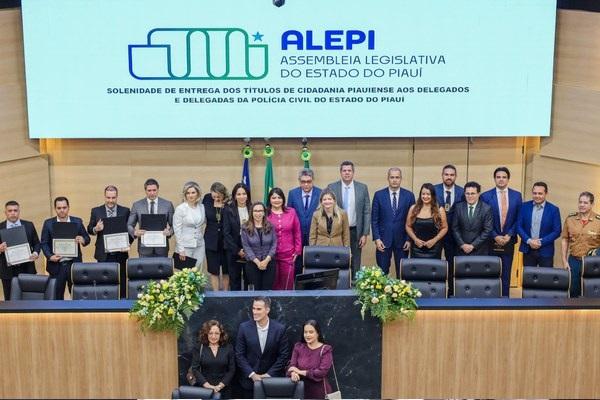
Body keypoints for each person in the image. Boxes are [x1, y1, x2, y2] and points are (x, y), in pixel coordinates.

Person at [235, 296, 290, 398]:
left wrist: (268, 375)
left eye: (258, 309)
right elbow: (239, 355)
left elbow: (283, 356)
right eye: (253, 308)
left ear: (267, 310)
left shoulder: (280, 329)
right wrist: (252, 374)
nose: (254, 312)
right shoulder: (244, 328)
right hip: (248, 383)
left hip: (272, 382)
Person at [481, 167, 523, 297]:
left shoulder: (517, 195)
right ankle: (490, 298)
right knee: (491, 271)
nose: (501, 179)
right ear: (494, 179)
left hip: (508, 240)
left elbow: (519, 218)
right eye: (498, 177)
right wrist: (495, 235)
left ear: (508, 179)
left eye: (504, 177)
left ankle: (505, 299)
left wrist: (509, 234)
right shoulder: (486, 196)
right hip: (491, 240)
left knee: (506, 272)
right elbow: (484, 220)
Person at [328, 161, 370, 281]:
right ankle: (338, 284)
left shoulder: (362, 188)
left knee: (356, 260)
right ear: (340, 172)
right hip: (337, 231)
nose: (347, 173)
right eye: (344, 171)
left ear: (353, 172)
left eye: (349, 171)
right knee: (338, 258)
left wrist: (365, 233)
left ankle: (355, 286)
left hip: (355, 230)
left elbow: (367, 211)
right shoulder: (332, 187)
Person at [41, 197, 90, 300]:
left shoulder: (77, 221)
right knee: (56, 297)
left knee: (77, 296)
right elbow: (44, 243)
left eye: (64, 207)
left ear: (68, 208)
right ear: (55, 209)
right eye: (59, 208)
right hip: (56, 266)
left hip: (74, 265)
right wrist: (50, 256)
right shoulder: (48, 223)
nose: (62, 210)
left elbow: (87, 238)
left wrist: (83, 239)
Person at [87, 185, 131, 299]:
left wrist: (128, 243)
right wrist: (96, 229)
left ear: (117, 197)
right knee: (104, 281)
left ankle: (121, 305)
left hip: (121, 253)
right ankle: (104, 304)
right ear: (104, 196)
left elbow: (129, 231)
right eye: (108, 198)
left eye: (113, 198)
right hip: (103, 253)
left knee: (121, 280)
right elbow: (89, 229)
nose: (110, 201)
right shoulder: (96, 211)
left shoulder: (125, 211)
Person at [371, 168, 416, 276]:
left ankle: (401, 293)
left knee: (402, 272)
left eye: (397, 177)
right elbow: (374, 219)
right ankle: (382, 293)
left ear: (401, 179)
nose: (394, 180)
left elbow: (412, 220)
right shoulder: (379, 195)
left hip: (402, 241)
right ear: (388, 178)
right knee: (382, 273)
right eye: (392, 177)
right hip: (383, 241)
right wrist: (377, 239)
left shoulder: (409, 196)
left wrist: (409, 239)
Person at [561, 191, 600, 298]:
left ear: (592, 204)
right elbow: (565, 239)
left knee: (592, 292)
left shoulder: (598, 221)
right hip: (574, 260)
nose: (582, 205)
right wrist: (564, 261)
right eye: (580, 202)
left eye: (585, 203)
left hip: (592, 263)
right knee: (573, 291)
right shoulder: (570, 219)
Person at [0, 201, 40, 300]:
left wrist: (35, 253)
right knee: (9, 300)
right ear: (5, 212)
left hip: (27, 268)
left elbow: (37, 243)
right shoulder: (0, 227)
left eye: (15, 210)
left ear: (19, 211)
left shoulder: (29, 225)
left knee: (29, 298)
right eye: (10, 211)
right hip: (7, 270)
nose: (13, 213)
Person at [516, 182, 562, 268]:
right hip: (528, 249)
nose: (537, 196)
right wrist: (529, 240)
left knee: (546, 278)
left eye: (540, 193)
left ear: (546, 193)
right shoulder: (524, 207)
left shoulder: (553, 210)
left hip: (546, 250)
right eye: (535, 193)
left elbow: (557, 231)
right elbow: (518, 226)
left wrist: (541, 242)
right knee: (528, 277)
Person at [434, 165, 464, 292]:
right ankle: (435, 291)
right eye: (446, 174)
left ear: (455, 176)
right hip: (435, 233)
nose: (449, 177)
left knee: (452, 264)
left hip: (454, 235)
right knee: (435, 264)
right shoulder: (434, 190)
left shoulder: (462, 191)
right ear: (442, 175)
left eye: (452, 175)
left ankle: (451, 292)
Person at [187, 320, 235, 399]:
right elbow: (195, 369)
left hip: (224, 389)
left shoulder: (228, 348)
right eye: (210, 333)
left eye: (216, 333)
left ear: (221, 334)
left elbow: (232, 369)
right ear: (206, 334)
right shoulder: (199, 347)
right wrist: (207, 386)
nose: (213, 336)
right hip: (204, 390)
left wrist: (220, 386)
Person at [127, 178, 175, 257]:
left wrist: (169, 232)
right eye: (149, 190)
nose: (152, 193)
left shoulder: (168, 205)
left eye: (154, 190)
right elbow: (129, 225)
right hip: (144, 249)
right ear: (145, 190)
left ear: (158, 189)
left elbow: (174, 224)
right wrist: (135, 232)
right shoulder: (137, 205)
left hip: (162, 249)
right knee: (145, 269)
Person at [287, 168, 322, 275]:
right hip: (297, 236)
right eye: (303, 182)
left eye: (309, 182)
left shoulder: (320, 193)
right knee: (297, 264)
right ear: (299, 181)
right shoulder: (293, 193)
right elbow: (289, 215)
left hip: (316, 235)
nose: (306, 184)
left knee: (314, 262)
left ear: (313, 180)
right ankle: (297, 289)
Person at [287, 320, 333, 400]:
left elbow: (321, 372)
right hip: (299, 391)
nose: (307, 335)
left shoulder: (326, 349)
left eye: (311, 332)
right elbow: (291, 366)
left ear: (318, 333)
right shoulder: (298, 347)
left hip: (319, 393)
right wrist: (293, 373)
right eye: (305, 332)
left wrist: (300, 372)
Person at [267, 188, 302, 290]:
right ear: (269, 199)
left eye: (279, 197)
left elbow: (297, 232)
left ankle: (287, 306)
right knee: (273, 284)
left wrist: (297, 251)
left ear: (283, 199)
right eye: (274, 198)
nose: (276, 200)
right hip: (270, 256)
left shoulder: (291, 212)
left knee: (287, 284)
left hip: (288, 255)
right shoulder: (265, 213)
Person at [406, 183, 448, 259]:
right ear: (420, 195)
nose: (425, 196)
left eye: (428, 194)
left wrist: (434, 240)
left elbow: (445, 228)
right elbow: (408, 226)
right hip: (416, 247)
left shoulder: (439, 209)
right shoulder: (413, 208)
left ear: (433, 195)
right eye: (423, 194)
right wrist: (415, 239)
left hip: (434, 247)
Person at [241, 202, 277, 290]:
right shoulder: (245, 228)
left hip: (269, 263)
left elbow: (274, 244)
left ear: (264, 212)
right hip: (252, 264)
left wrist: (266, 261)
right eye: (255, 211)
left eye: (260, 211)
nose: (258, 213)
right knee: (255, 290)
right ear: (252, 213)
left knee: (267, 290)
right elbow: (246, 247)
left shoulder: (271, 226)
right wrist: (258, 263)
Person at [451, 182, 493, 257]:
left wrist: (473, 245)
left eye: (473, 193)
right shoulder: (458, 207)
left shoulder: (486, 208)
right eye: (467, 193)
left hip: (479, 250)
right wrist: (462, 244)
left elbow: (487, 230)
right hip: (461, 250)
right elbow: (455, 228)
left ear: (478, 194)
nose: (470, 196)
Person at [223, 183, 251, 291]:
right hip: (233, 248)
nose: (242, 196)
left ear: (247, 195)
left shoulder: (252, 208)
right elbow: (226, 233)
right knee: (235, 280)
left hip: (250, 248)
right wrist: (237, 250)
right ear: (234, 196)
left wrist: (248, 249)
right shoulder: (228, 210)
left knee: (249, 279)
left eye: (244, 194)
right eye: (238, 194)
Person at [203, 182, 230, 291]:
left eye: (219, 196)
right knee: (213, 270)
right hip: (211, 240)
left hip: (226, 241)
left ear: (223, 194)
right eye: (214, 196)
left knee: (226, 270)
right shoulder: (207, 199)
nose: (216, 198)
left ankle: (225, 295)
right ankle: (216, 295)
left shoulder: (229, 202)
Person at [174, 181, 206, 269]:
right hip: (185, 246)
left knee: (198, 273)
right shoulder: (180, 208)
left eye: (193, 192)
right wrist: (181, 249)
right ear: (185, 194)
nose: (190, 195)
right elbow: (177, 230)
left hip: (199, 245)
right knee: (185, 275)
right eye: (188, 193)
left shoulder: (202, 207)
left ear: (198, 193)